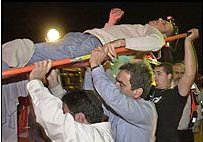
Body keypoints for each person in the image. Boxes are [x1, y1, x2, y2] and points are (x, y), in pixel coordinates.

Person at [2, 11, 174, 71]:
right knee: (37, 56)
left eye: (164, 24)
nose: (160, 20)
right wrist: (111, 23)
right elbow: (108, 36)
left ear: (165, 33)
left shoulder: (154, 34)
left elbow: (157, 42)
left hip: (89, 42)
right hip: (87, 39)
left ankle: (4, 57)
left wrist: (119, 42)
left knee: (33, 51)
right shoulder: (140, 30)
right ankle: (6, 60)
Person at [27, 60, 114, 142]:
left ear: (80, 118)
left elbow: (53, 119)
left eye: (65, 115)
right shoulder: (99, 134)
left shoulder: (87, 137)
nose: (62, 115)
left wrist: (35, 82)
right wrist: (54, 85)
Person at [89, 45, 158, 142]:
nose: (115, 85)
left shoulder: (146, 110)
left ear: (137, 92)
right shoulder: (118, 107)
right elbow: (93, 98)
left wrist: (96, 66)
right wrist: (90, 68)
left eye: (121, 84)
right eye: (116, 81)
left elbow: (114, 97)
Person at [150, 28, 199, 142]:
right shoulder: (150, 91)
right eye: (154, 73)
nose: (155, 76)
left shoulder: (175, 95)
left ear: (169, 76)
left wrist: (188, 42)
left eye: (159, 73)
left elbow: (189, 74)